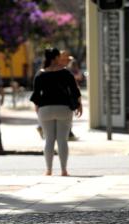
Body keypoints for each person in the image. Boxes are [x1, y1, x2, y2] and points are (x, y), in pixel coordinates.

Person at [30, 48, 82, 176]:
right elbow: (75, 91)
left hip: (45, 109)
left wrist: (38, 108)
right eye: (59, 57)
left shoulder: (40, 74)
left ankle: (48, 170)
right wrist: (79, 105)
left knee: (49, 140)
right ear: (55, 58)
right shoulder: (65, 73)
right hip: (63, 108)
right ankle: (64, 170)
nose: (61, 59)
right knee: (62, 140)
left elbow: (36, 95)